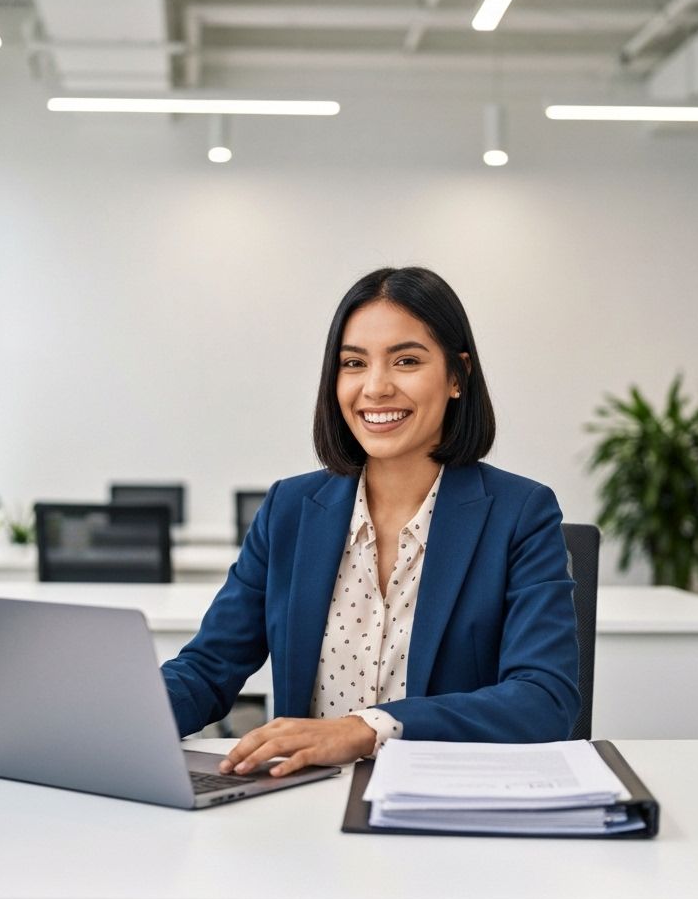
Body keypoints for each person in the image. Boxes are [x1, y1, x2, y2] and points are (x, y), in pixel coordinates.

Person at [161, 266, 579, 779]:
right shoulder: (289, 509)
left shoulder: (521, 513)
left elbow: (543, 699)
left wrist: (365, 728)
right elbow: (207, 669)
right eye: (353, 363)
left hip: (441, 806)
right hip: (298, 806)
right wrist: (123, 714)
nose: (376, 387)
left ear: (456, 376)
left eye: (406, 360)